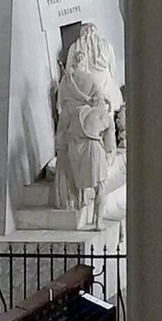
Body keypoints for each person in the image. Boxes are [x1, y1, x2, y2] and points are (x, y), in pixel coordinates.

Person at [51, 23, 124, 230]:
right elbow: (112, 68)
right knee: (100, 186)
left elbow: (62, 104)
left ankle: (79, 202)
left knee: (79, 177)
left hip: (76, 140)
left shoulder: (68, 82)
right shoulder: (100, 110)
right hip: (92, 147)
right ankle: (97, 220)